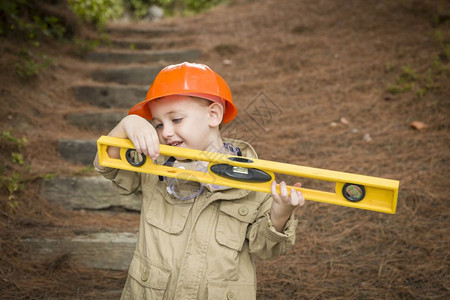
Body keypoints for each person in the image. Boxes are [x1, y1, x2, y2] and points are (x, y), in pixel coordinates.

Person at [94, 62, 305, 299]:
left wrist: (280, 213)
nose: (165, 132)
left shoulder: (253, 180)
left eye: (176, 120)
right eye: (158, 124)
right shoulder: (154, 167)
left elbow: (265, 248)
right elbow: (109, 163)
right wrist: (128, 124)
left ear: (213, 115)